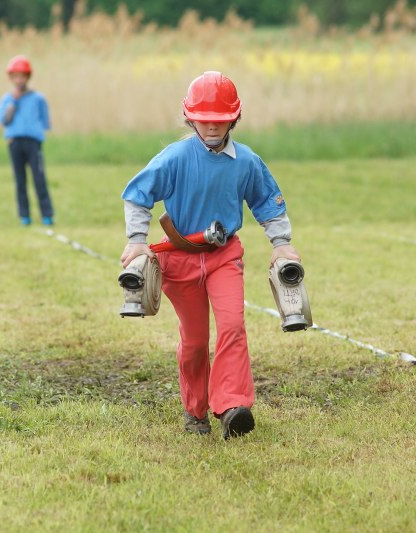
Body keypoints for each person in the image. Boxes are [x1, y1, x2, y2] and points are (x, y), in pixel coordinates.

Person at [120, 71, 301, 439]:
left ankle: (232, 405)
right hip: (179, 258)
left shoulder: (247, 161)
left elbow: (268, 201)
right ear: (190, 118)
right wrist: (137, 240)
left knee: (233, 326)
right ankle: (195, 411)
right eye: (204, 119)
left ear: (234, 118)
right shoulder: (174, 157)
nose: (212, 127)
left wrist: (281, 243)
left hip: (224, 256)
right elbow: (137, 194)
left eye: (220, 120)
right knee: (196, 341)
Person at [0, 55, 55, 226]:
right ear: (11, 78)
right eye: (15, 77)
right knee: (20, 180)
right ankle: (24, 216)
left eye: (22, 76)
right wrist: (13, 101)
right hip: (15, 143)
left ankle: (47, 215)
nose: (19, 80)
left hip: (33, 143)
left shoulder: (38, 98)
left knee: (39, 178)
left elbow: (45, 121)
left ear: (28, 77)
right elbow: (5, 120)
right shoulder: (7, 99)